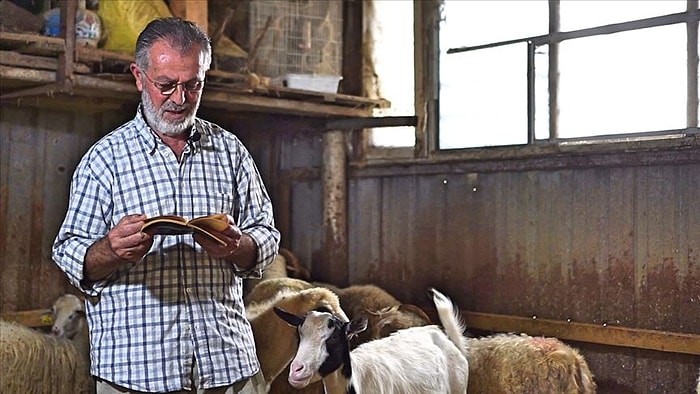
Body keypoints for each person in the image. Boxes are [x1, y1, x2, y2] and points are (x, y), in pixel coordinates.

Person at [52, 17, 280, 393]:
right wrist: (110, 250)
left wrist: (238, 246)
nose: (180, 99)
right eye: (166, 85)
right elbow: (69, 250)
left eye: (193, 85)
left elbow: (266, 234)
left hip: (227, 368)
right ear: (139, 77)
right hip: (136, 375)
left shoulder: (230, 152)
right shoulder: (104, 160)